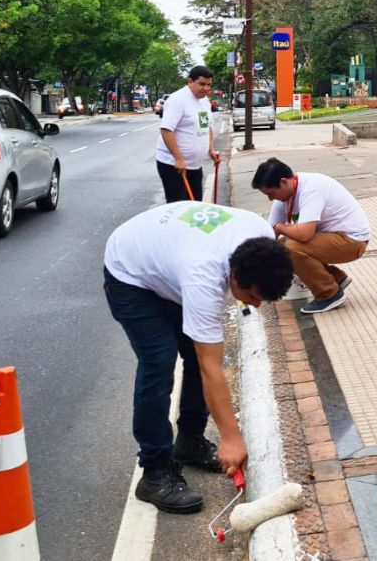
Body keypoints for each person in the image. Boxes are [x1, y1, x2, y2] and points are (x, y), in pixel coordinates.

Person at [103, 201, 292, 513]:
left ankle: (189, 441)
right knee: (159, 363)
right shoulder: (202, 277)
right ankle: (154, 472)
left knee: (193, 351)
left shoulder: (261, 239)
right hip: (129, 273)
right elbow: (211, 367)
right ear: (234, 277)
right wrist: (231, 438)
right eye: (254, 297)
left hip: (168, 254)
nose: (256, 306)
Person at [252, 158, 372, 315]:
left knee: (292, 248)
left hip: (353, 241)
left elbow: (303, 234)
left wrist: (280, 227)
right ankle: (336, 278)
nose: (270, 198)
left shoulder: (312, 189)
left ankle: (329, 294)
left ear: (284, 182)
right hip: (331, 237)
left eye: (271, 193)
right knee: (279, 248)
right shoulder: (284, 195)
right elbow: (269, 235)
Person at [156, 66, 221, 203]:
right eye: (202, 84)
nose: (206, 88)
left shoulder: (204, 101)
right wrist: (178, 158)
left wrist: (211, 149)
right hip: (174, 165)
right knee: (179, 208)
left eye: (209, 85)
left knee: (195, 206)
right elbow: (166, 130)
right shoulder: (178, 99)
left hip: (195, 165)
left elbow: (206, 126)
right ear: (190, 82)